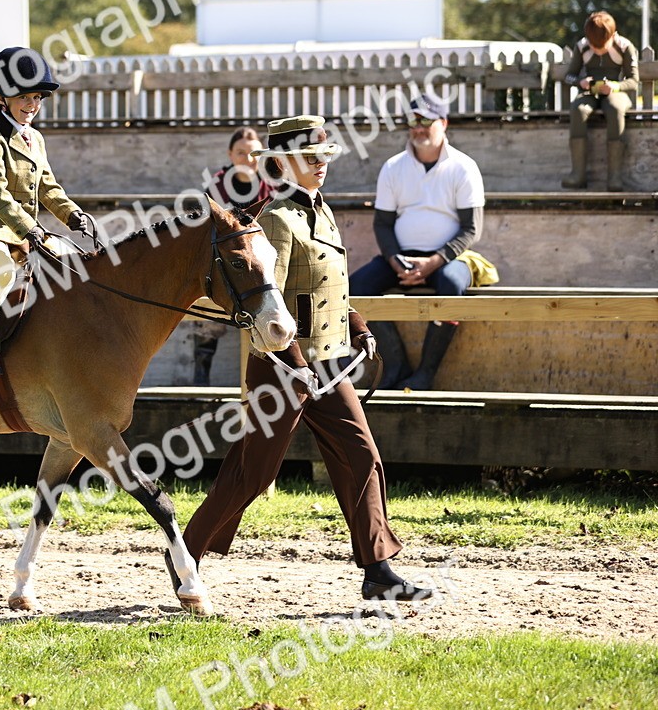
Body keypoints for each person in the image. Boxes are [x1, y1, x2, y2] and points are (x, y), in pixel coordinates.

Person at [180, 115, 430, 603]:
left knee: (361, 456)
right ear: (283, 163)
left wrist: (357, 325)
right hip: (282, 367)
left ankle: (378, 570)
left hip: (329, 362)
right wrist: (294, 362)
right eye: (310, 157)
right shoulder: (275, 219)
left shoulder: (323, 210)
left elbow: (326, 286)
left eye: (324, 156)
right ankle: (186, 552)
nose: (321, 165)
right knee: (254, 473)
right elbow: (268, 301)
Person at [0, 47, 92, 380]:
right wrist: (29, 227)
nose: (32, 104)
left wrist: (72, 215)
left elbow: (48, 186)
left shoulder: (35, 139)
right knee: (3, 272)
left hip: (26, 230)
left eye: (37, 98)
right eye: (24, 97)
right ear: (1, 98)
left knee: (73, 263)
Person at [348, 96, 485, 391]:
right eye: (413, 121)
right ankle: (396, 365)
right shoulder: (393, 167)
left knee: (452, 285)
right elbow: (383, 224)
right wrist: (394, 259)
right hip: (401, 258)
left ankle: (425, 374)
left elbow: (471, 228)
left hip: (448, 260)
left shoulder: (464, 167)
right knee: (353, 289)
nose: (418, 128)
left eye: (426, 120)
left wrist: (434, 261)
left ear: (443, 123)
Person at [193, 126, 271, 385]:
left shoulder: (271, 186)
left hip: (258, 260)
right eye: (240, 153)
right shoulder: (217, 185)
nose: (247, 159)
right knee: (210, 306)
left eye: (253, 153)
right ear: (230, 154)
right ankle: (200, 376)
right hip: (223, 260)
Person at [562, 11, 639, 191]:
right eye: (593, 46)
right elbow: (569, 76)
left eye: (602, 46)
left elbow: (634, 81)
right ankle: (578, 174)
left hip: (615, 91)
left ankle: (614, 177)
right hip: (589, 92)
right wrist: (581, 82)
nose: (597, 50)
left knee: (615, 109)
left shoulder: (624, 46)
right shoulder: (582, 47)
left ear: (612, 36)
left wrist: (616, 86)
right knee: (578, 109)